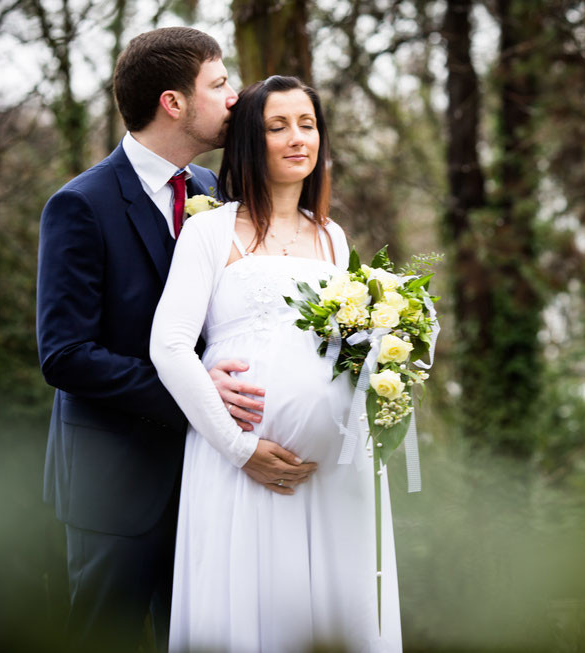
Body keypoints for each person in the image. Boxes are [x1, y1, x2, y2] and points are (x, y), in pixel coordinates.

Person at [36, 28, 317, 651]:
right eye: (218, 85)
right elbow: (65, 354)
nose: (235, 97)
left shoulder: (216, 195)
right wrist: (196, 393)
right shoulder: (80, 205)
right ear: (173, 103)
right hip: (116, 485)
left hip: (208, 478)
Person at [150, 75, 403, 652]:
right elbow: (168, 346)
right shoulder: (210, 231)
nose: (297, 139)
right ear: (249, 141)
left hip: (336, 473)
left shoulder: (333, 237)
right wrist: (240, 450)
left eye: (307, 124)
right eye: (277, 125)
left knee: (338, 615)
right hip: (241, 468)